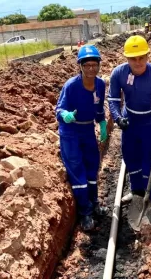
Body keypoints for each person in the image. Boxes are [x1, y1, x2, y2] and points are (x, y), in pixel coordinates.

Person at [107, 35, 151, 203]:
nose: (138, 62)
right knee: (131, 156)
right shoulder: (119, 74)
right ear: (126, 58)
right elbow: (113, 99)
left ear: (148, 56)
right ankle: (137, 191)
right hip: (130, 123)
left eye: (141, 57)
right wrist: (117, 118)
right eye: (133, 59)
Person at [55, 45, 109, 231]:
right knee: (77, 170)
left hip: (87, 129)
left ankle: (94, 203)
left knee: (92, 166)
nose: (91, 69)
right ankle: (85, 213)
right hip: (70, 132)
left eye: (95, 64)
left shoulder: (101, 85)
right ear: (80, 66)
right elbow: (59, 110)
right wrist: (66, 115)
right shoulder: (71, 86)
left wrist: (102, 123)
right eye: (87, 65)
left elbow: (99, 108)